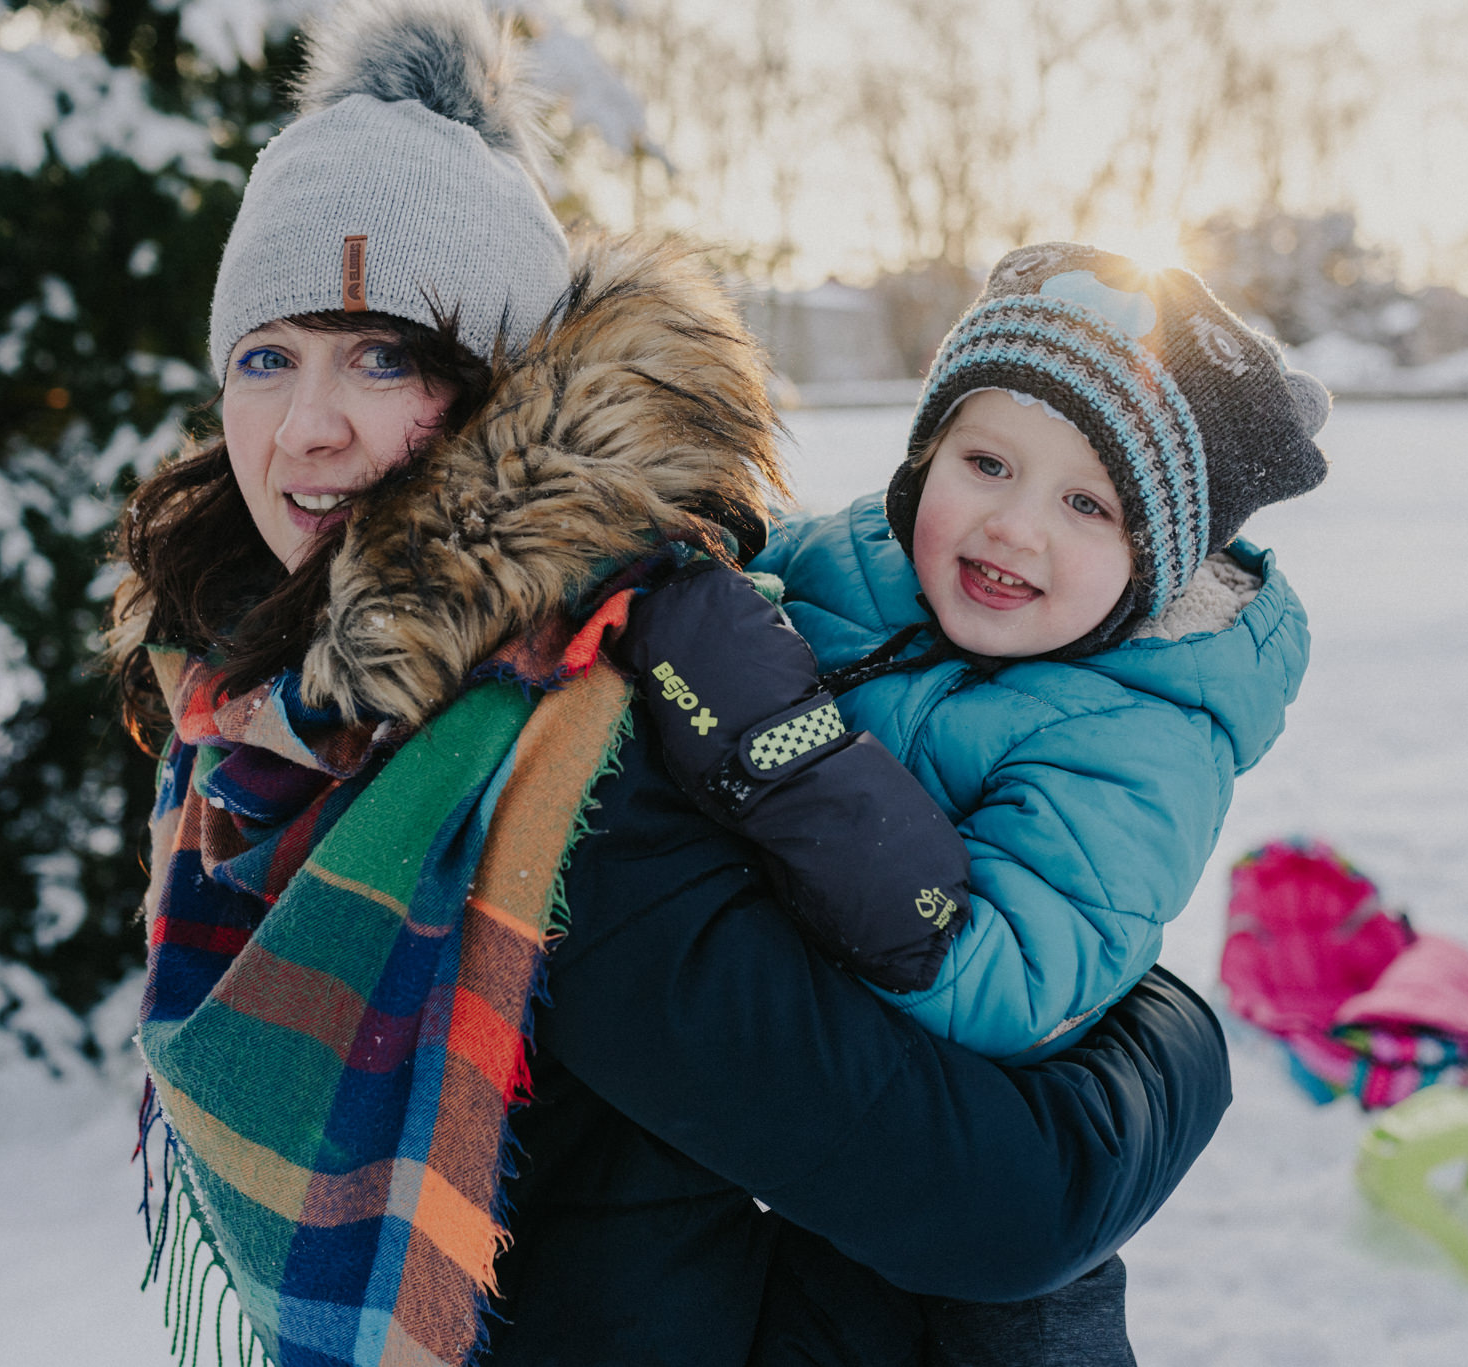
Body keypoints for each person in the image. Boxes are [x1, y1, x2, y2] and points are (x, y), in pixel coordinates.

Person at [105, 5, 1233, 1366]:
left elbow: (990, 1202)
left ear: (505, 392)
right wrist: (1174, 1033)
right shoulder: (249, 703)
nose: (310, 424)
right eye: (266, 357)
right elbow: (1016, 1192)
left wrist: (1175, 1031)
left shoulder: (561, 749)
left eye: (385, 354)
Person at [609, 241, 1329, 1364]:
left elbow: (1000, 983)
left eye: (1088, 503)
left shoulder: (1136, 738)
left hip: (975, 1228)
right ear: (922, 456)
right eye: (985, 462)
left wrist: (783, 750)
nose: (1013, 526)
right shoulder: (846, 560)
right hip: (783, 1161)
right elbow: (711, 610)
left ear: (1158, 562)